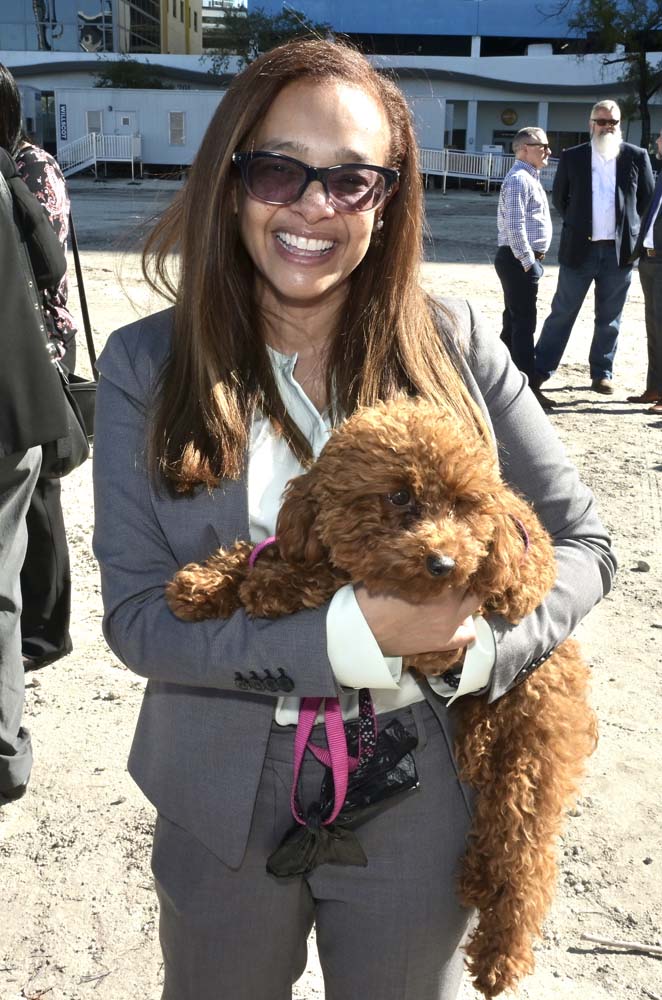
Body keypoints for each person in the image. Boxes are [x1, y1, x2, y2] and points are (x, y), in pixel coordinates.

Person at [92, 40, 616, 1000]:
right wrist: (344, 637)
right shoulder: (143, 365)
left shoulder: (457, 344)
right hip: (220, 791)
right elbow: (136, 619)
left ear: (388, 198)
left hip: (424, 784)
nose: (312, 206)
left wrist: (476, 651)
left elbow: (588, 545)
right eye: (278, 168)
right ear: (230, 177)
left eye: (351, 180)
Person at [0, 64, 77, 670]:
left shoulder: (32, 166)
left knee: (44, 493)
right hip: (18, 344)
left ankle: (47, 633)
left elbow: (45, 261)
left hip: (44, 343)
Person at [0, 149, 68, 804]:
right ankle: (3, 752)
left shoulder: (28, 170)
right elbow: (47, 264)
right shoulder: (12, 174)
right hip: (11, 403)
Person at [533, 99, 654, 395]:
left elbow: (646, 201)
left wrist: (629, 231)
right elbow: (560, 199)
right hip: (579, 251)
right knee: (562, 312)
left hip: (618, 254)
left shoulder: (636, 156)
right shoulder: (573, 157)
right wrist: (580, 225)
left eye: (613, 122)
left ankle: (602, 372)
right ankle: (540, 370)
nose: (607, 127)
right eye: (602, 121)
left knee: (610, 318)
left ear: (619, 124)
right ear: (591, 124)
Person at [493, 126, 553, 410]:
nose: (548, 152)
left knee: (513, 323)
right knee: (523, 325)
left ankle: (499, 383)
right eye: (543, 146)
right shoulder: (519, 179)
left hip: (520, 261)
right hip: (519, 261)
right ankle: (525, 392)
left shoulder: (528, 177)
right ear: (524, 148)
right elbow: (516, 228)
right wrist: (530, 264)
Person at [627, 129, 662, 414]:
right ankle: (654, 387)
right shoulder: (661, 176)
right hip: (649, 262)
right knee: (653, 328)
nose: (658, 142)